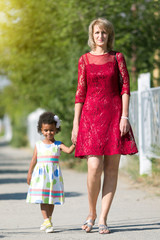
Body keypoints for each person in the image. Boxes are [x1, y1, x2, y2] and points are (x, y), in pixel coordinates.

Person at [71, 18, 138, 234]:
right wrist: (75, 124)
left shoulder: (117, 58)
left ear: (109, 35)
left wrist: (125, 117)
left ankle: (102, 218)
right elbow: (80, 93)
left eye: (104, 33)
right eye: (97, 33)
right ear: (92, 35)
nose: (101, 36)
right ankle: (91, 213)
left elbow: (125, 87)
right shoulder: (84, 60)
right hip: (90, 117)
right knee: (93, 167)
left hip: (114, 116)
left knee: (111, 169)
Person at [26, 111, 75, 233]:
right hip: (40, 177)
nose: (49, 133)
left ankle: (48, 220)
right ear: (41, 130)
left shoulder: (58, 144)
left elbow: (68, 150)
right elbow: (34, 160)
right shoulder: (38, 145)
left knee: (51, 199)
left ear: (56, 129)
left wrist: (76, 143)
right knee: (43, 199)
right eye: (46, 130)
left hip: (53, 176)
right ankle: (46, 220)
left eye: (51, 130)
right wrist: (29, 173)